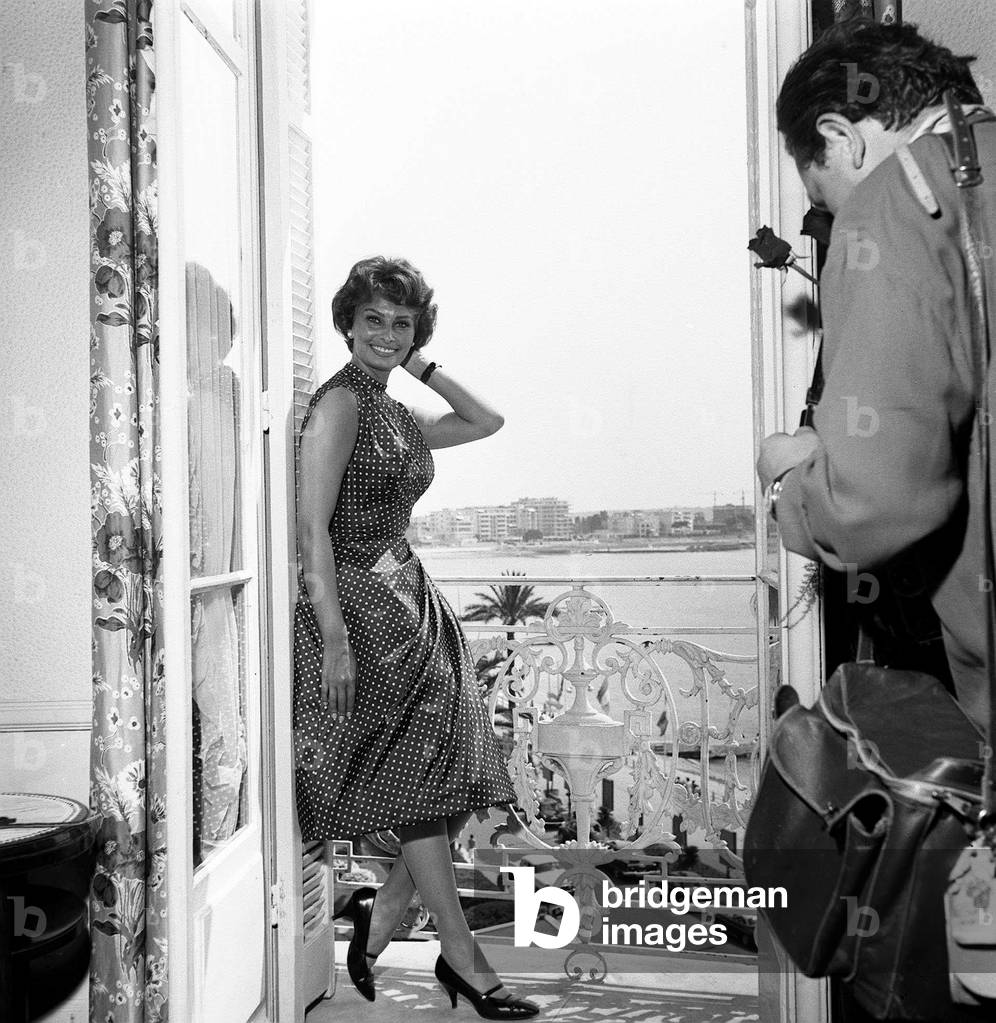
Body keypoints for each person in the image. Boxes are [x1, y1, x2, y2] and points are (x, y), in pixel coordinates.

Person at [293, 256, 539, 1019]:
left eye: (402, 323)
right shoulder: (339, 406)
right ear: (348, 323)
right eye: (373, 320)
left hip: (417, 609)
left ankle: (385, 913)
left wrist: (423, 361)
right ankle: (464, 958)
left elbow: (486, 420)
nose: (386, 334)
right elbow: (312, 531)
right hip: (363, 611)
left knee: (460, 767)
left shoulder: (397, 411)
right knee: (422, 787)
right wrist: (333, 633)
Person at [757, 19, 996, 735]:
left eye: (825, 195)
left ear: (844, 137)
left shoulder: (898, 200)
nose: (834, 217)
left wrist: (794, 478)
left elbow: (874, 502)